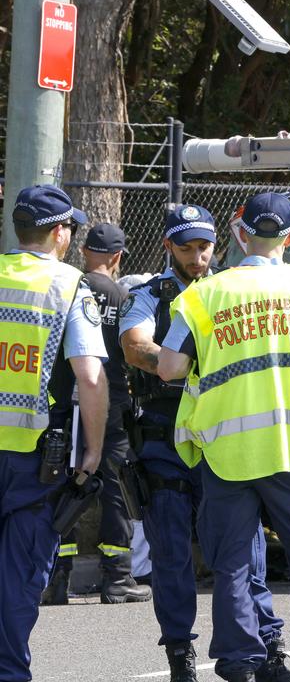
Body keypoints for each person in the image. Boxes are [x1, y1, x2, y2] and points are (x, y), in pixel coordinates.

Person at [155, 194, 290, 682]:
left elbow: (169, 368)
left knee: (230, 566)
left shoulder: (205, 295)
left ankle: (240, 666)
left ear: (239, 232)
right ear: (289, 239)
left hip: (227, 453)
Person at [120, 205, 290, 682]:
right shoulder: (149, 295)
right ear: (167, 247)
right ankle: (181, 657)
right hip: (164, 442)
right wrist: (195, 363)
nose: (197, 258)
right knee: (172, 553)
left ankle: (269, 651)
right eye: (186, 248)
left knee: (244, 552)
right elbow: (136, 346)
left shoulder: (233, 288)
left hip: (223, 436)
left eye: (204, 247)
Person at [0, 185, 109, 681]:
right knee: (21, 575)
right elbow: (89, 376)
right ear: (60, 232)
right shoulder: (69, 286)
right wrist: (93, 449)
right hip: (31, 460)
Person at [42, 223, 152, 606]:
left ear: (84, 250)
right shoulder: (124, 297)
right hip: (111, 404)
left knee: (60, 484)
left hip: (63, 400)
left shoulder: (68, 286)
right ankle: (117, 578)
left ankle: (55, 578)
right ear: (118, 257)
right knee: (114, 487)